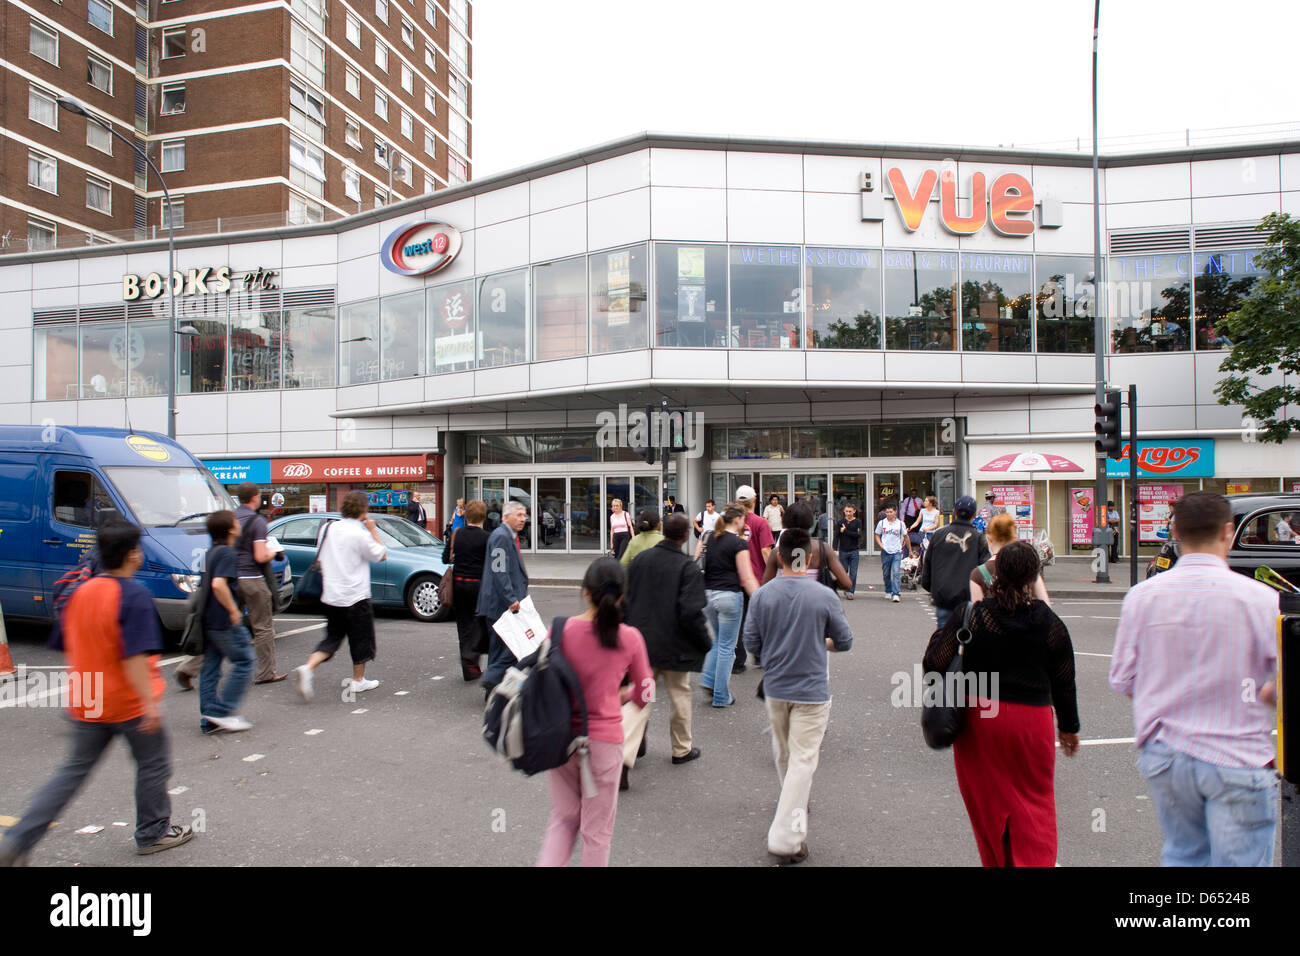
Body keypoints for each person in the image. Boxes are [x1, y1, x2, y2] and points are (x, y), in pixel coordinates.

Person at [0, 519, 194, 865]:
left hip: (86, 695)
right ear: (132, 553)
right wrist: (149, 704)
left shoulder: (80, 592)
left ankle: (18, 839)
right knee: (153, 764)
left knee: (71, 772)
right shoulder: (133, 594)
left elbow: (65, 644)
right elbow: (135, 655)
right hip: (128, 699)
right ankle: (153, 833)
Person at [1110, 491, 1280, 866]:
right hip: (1239, 755)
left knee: (1185, 855)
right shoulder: (1261, 599)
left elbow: (1124, 679)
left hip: (1169, 751)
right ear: (1228, 532)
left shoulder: (1142, 597)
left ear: (1175, 531)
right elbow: (1284, 685)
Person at [923, 541, 1080, 867]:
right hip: (1032, 720)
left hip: (981, 718)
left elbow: (934, 664)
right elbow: (1064, 681)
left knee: (988, 805)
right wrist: (1068, 728)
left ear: (996, 574)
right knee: (1035, 802)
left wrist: (945, 633)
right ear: (1033, 577)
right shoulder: (1050, 624)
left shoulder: (974, 616)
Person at [742, 528, 853, 865]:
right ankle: (787, 837)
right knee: (803, 760)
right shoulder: (823, 596)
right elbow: (845, 640)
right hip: (812, 690)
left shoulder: (763, 595)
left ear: (779, 556)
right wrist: (822, 643)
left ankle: (793, 811)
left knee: (784, 755)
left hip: (776, 687)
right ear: (808, 557)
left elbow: (751, 643)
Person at [537, 558, 652, 867]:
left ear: (585, 591)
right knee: (597, 832)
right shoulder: (630, 637)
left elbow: (541, 678)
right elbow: (646, 693)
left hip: (561, 739)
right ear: (620, 596)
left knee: (562, 820)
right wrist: (620, 693)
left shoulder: (558, 631)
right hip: (604, 742)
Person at [621, 514, 711, 787]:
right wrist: (704, 642)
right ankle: (681, 749)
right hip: (674, 645)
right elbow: (691, 612)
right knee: (680, 695)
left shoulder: (640, 561)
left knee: (641, 697)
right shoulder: (687, 567)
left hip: (642, 643)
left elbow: (625, 599)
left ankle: (624, 754)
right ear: (685, 535)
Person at [294, 491, 388, 702]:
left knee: (332, 637)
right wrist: (373, 530)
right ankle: (358, 680)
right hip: (355, 594)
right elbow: (380, 555)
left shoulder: (329, 528)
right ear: (363, 509)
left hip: (331, 594)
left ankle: (308, 667)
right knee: (361, 639)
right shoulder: (360, 533)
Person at [198, 510, 256, 734]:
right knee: (245, 662)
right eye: (235, 521)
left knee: (211, 668)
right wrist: (233, 610)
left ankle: (209, 719)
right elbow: (219, 585)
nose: (238, 523)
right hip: (223, 619)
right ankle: (222, 712)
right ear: (230, 529)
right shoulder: (228, 554)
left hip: (208, 617)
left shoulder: (212, 552)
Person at [699, 506, 760, 707]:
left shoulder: (708, 537)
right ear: (737, 520)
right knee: (727, 647)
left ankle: (708, 679)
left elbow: (696, 560)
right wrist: (761, 600)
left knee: (718, 641)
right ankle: (721, 695)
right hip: (729, 597)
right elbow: (747, 577)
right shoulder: (739, 543)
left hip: (708, 595)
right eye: (743, 520)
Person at [477, 500, 531, 695]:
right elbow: (499, 570)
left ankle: (493, 690)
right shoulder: (501, 536)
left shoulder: (509, 535)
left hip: (504, 603)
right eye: (519, 515)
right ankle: (492, 681)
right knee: (506, 648)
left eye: (524, 515)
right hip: (501, 604)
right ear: (506, 516)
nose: (523, 519)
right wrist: (510, 598)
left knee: (500, 648)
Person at [920, 495, 991, 629]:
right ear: (974, 514)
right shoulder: (978, 539)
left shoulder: (938, 535)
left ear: (954, 511)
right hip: (968, 599)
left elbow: (927, 565)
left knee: (943, 640)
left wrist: (932, 588)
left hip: (943, 598)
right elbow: (985, 570)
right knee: (968, 639)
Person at [760, 501, 852, 589]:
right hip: (816, 601)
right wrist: (828, 585)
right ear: (810, 522)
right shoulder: (823, 548)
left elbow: (765, 585)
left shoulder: (777, 552)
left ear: (785, 521)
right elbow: (846, 583)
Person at [448, 499, 490, 682]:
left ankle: (468, 669)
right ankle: (473, 658)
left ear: (466, 515)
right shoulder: (487, 537)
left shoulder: (457, 534)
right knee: (479, 624)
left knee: (463, 625)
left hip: (458, 584)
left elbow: (445, 558)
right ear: (483, 516)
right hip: (478, 585)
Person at [968, 513, 1051, 605]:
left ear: (989, 538)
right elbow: (1046, 606)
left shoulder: (978, 574)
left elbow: (977, 614)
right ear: (1015, 538)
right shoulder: (1028, 568)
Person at [733, 484, 774, 671]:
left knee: (739, 620)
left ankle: (738, 660)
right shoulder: (760, 523)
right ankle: (760, 655)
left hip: (735, 577)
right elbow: (766, 550)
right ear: (754, 501)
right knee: (759, 618)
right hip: (757, 578)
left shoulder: (732, 522)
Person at [874, 504, 913, 603]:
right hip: (886, 551)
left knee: (896, 572)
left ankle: (896, 593)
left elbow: (906, 537)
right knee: (886, 573)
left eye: (891, 512)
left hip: (897, 551)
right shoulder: (882, 523)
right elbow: (877, 535)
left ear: (895, 512)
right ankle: (888, 590)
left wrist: (910, 550)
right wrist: (881, 545)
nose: (889, 514)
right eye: (887, 512)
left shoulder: (900, 524)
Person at [835, 504, 862, 599]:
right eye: (846, 511)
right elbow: (836, 536)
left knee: (853, 573)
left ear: (854, 511)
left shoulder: (857, 522)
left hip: (854, 550)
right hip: (843, 550)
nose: (848, 513)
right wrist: (835, 549)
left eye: (850, 511)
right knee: (843, 571)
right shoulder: (840, 522)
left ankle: (851, 591)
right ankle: (845, 588)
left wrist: (846, 531)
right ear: (844, 511)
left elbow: (858, 535)